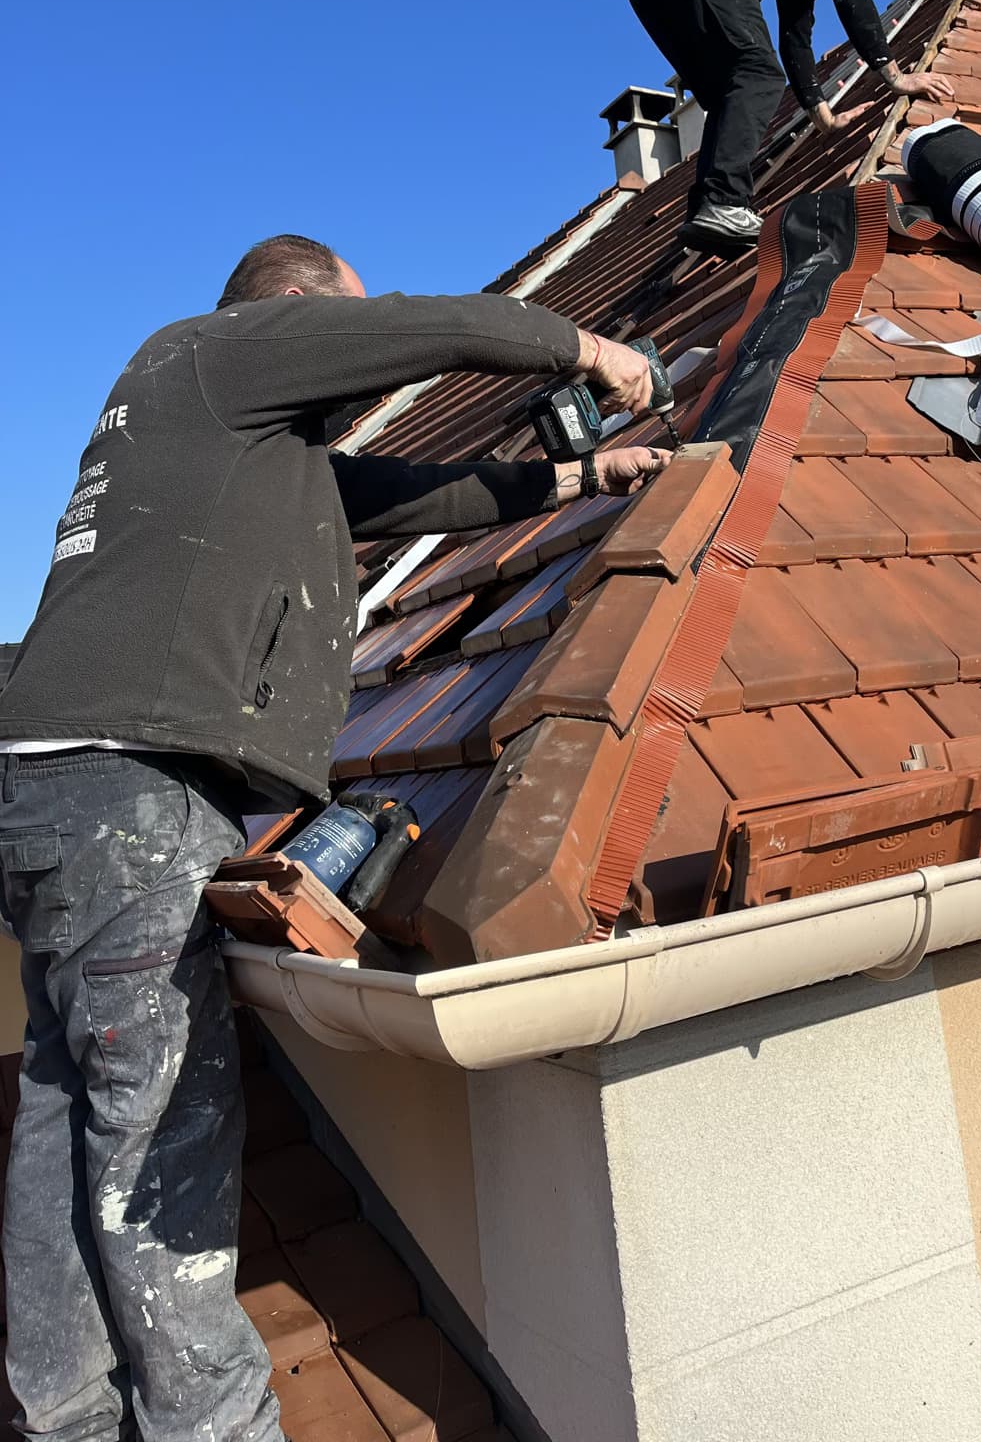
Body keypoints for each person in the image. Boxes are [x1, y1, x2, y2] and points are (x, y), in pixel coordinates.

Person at [0, 234, 669, 1442]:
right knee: (161, 1135)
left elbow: (414, 496)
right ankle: (212, 1427)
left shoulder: (231, 437)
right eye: (335, 330)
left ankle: (65, 1416)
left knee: (68, 1102)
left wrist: (579, 479)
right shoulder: (220, 350)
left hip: (48, 791)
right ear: (298, 311)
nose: (353, 388)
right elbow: (425, 327)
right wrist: (591, 350)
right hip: (132, 790)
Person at [624, 0, 955, 255]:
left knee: (731, 91)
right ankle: (725, 202)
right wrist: (895, 76)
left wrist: (822, 116)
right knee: (757, 73)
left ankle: (710, 210)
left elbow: (796, 35)